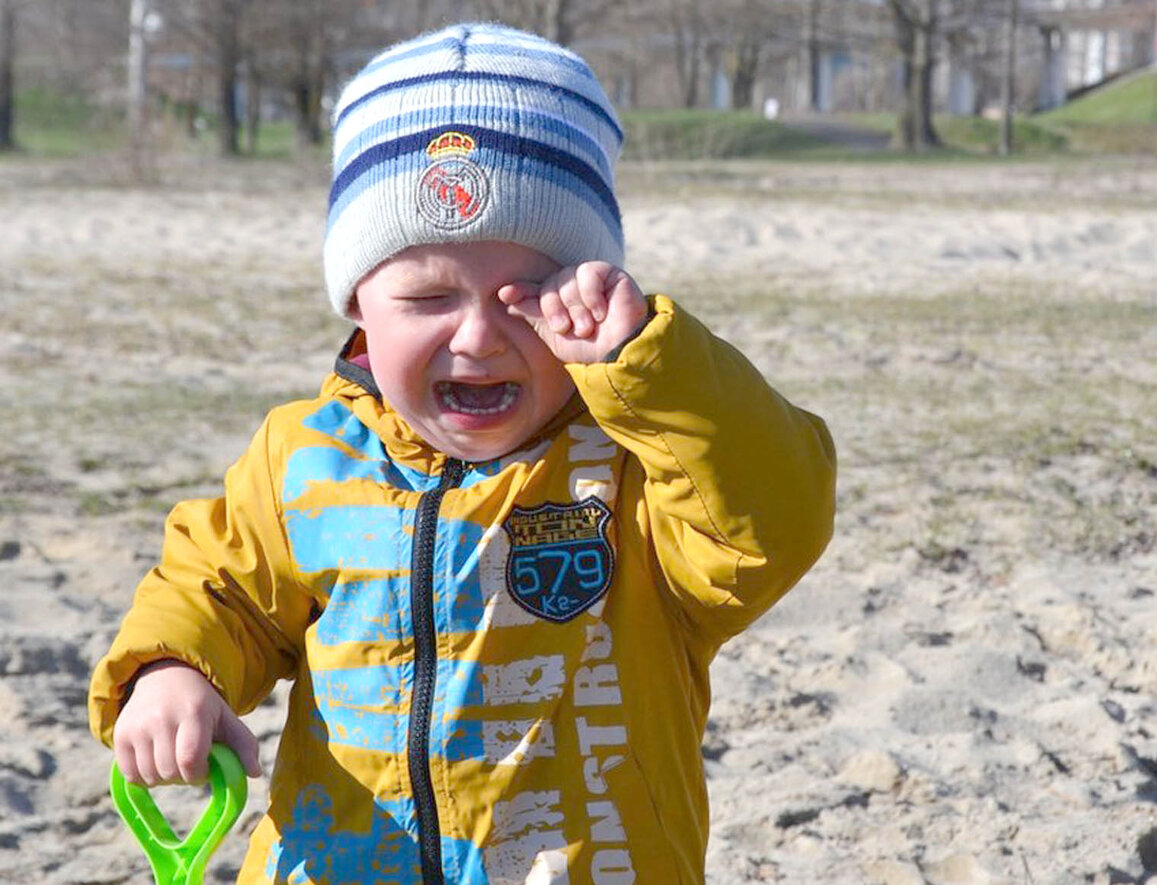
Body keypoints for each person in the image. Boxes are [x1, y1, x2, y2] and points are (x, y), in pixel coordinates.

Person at [88, 22, 836, 885]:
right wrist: (171, 670)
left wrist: (652, 369)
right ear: (359, 304)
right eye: (428, 296)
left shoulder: (634, 471)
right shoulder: (303, 458)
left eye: (525, 296)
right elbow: (217, 589)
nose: (477, 335)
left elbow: (775, 518)